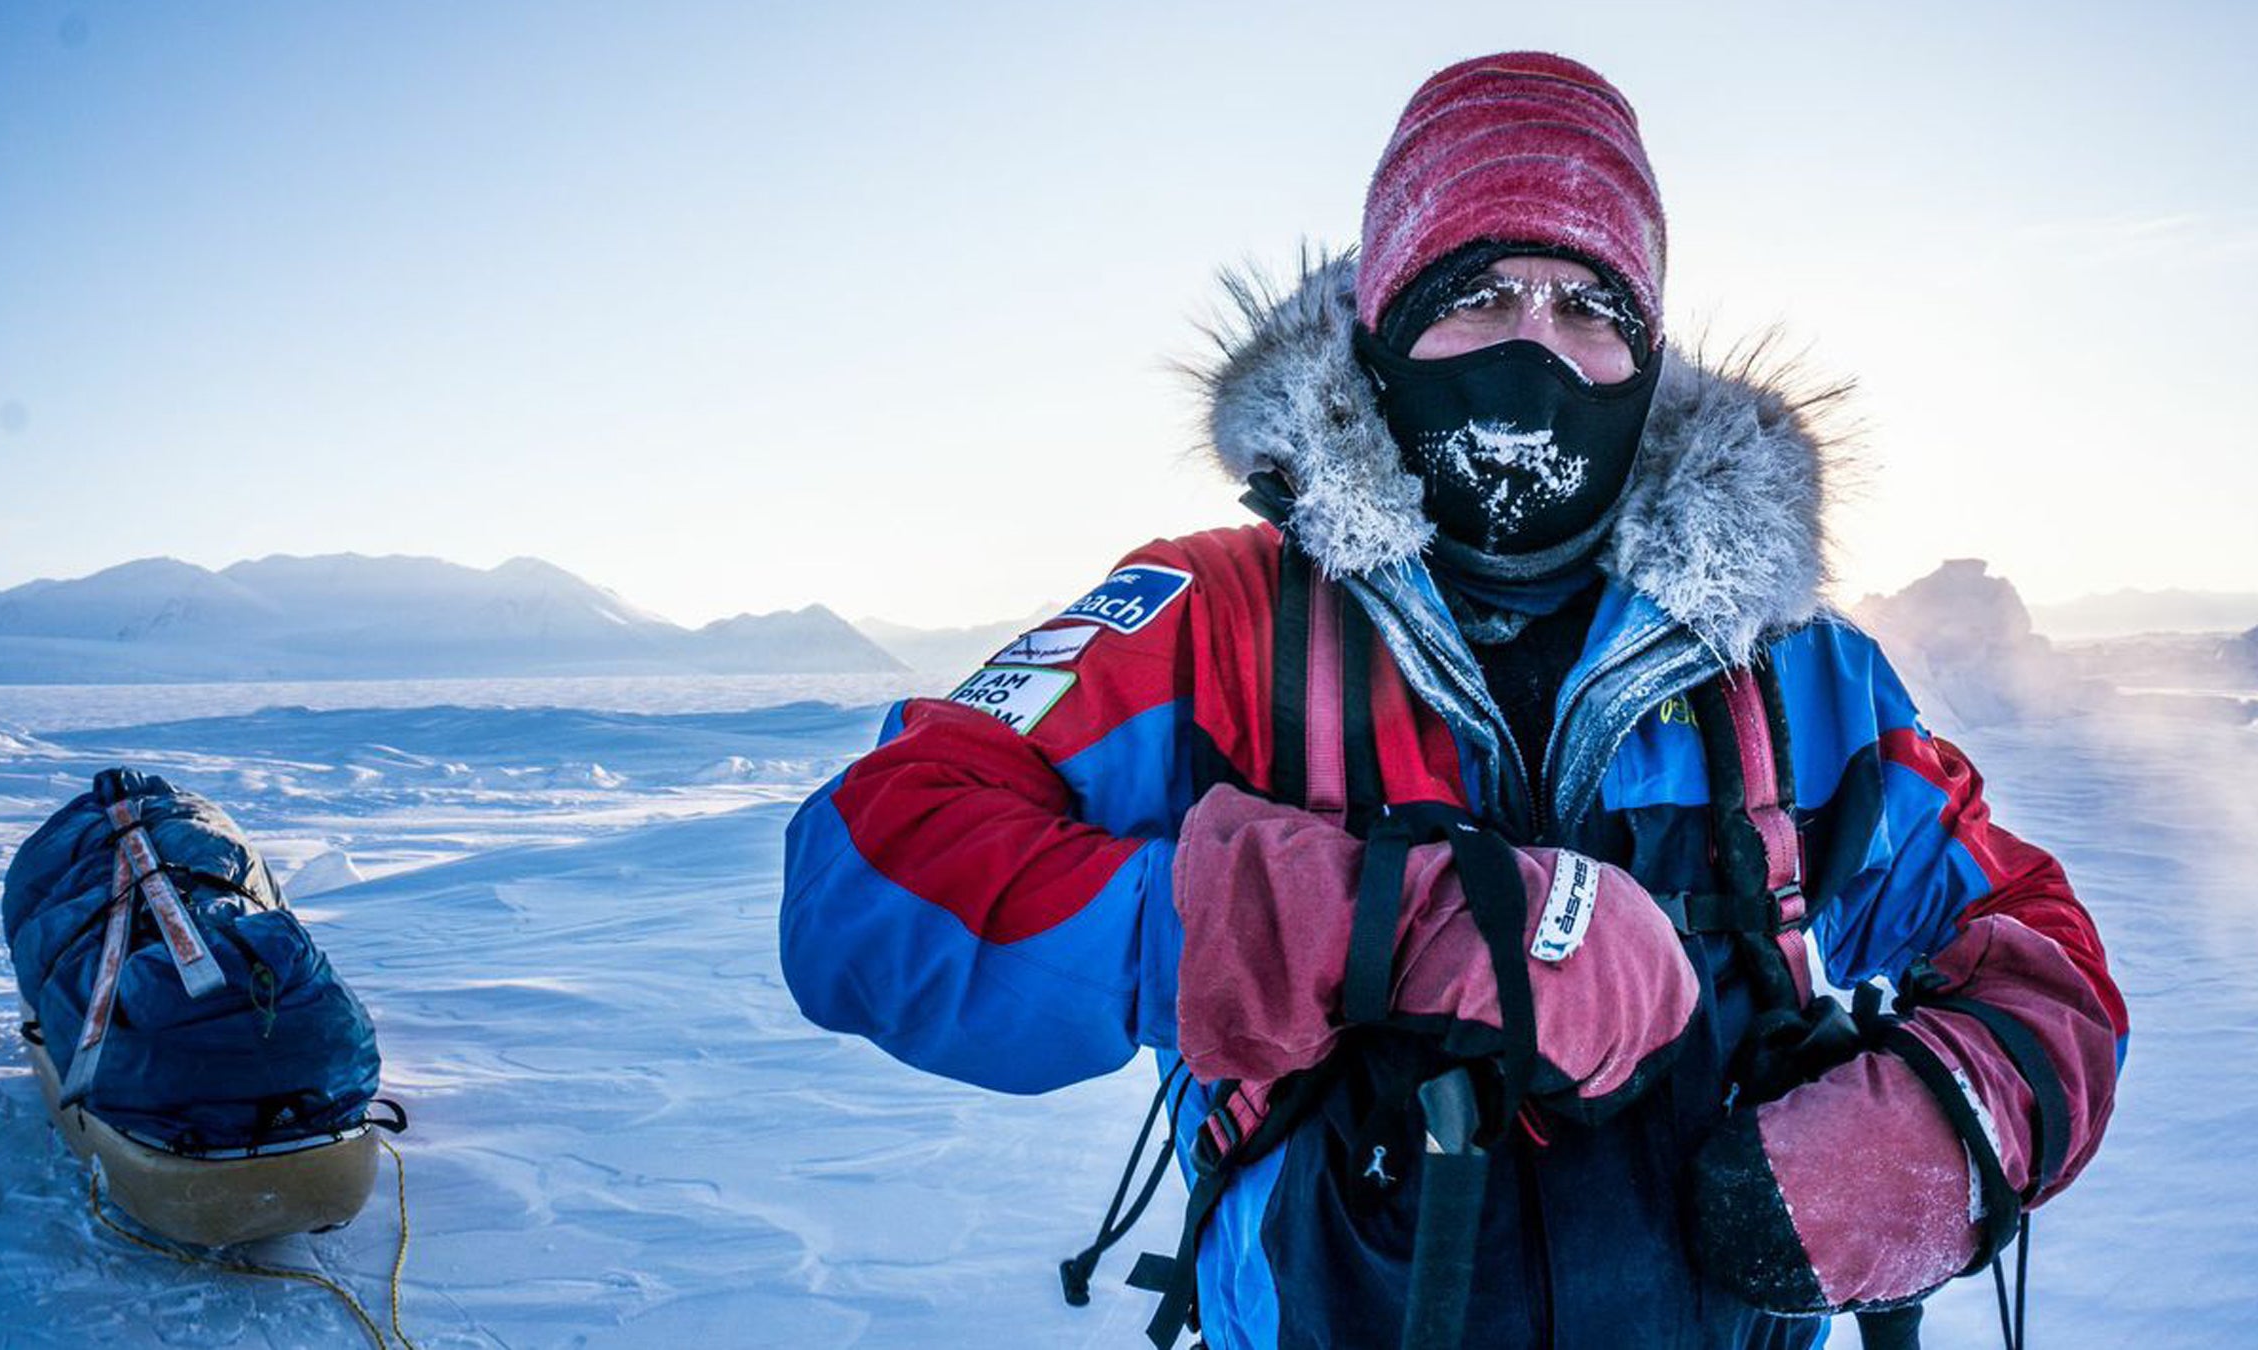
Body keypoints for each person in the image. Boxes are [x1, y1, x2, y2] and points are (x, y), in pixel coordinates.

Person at [779, 51, 2125, 1349]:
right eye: (1477, 293)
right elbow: (863, 877)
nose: (1536, 349)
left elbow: (2039, 951)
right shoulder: (1220, 623)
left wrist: (1947, 1121)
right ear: (1384, 334)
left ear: (1647, 363)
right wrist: (1372, 925)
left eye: (1591, 308)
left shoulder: (1789, 669)